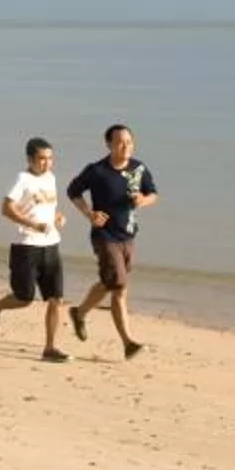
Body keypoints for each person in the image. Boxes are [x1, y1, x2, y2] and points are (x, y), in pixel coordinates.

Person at [64, 123, 159, 357]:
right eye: (119, 142)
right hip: (104, 236)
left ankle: (80, 313)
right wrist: (89, 214)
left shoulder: (139, 169)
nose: (125, 146)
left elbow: (154, 194)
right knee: (120, 287)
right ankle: (128, 343)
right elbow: (73, 191)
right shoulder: (97, 171)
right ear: (108, 144)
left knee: (110, 283)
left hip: (128, 236)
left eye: (129, 142)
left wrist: (142, 201)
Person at [0, 136, 71, 361]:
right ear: (30, 159)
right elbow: (6, 208)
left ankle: (50, 348)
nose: (47, 163)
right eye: (42, 159)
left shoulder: (51, 178)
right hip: (26, 246)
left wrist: (57, 217)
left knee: (56, 298)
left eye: (50, 158)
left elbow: (47, 207)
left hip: (51, 244)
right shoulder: (22, 179)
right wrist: (32, 225)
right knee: (25, 298)